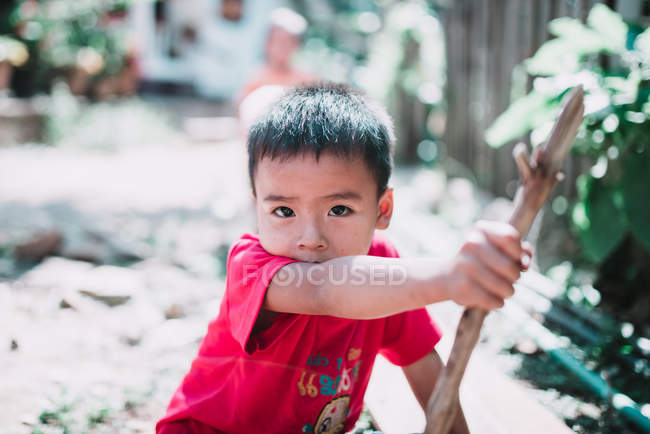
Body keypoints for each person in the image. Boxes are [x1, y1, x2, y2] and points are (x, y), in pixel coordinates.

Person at [156, 83, 532, 433]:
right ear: (257, 207)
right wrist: (448, 276)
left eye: (338, 209)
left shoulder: (385, 268)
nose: (311, 239)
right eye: (284, 212)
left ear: (383, 209)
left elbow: (427, 369)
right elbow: (323, 289)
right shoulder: (252, 268)